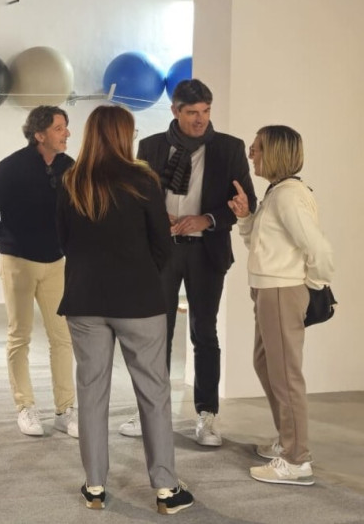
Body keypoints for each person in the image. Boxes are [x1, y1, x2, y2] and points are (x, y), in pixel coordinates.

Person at [57, 105, 194, 515]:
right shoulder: (143, 179)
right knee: (153, 393)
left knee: (91, 392)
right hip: (139, 301)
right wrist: (143, 273)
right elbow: (162, 244)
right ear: (123, 135)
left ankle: (95, 487)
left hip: (85, 300)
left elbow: (64, 241)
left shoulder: (71, 180)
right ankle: (166, 490)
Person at [126, 79, 256, 446]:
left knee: (205, 332)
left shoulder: (229, 148)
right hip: (162, 251)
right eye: (192, 112)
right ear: (175, 111)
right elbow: (138, 200)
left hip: (206, 251)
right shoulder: (151, 147)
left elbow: (246, 202)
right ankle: (151, 411)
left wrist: (207, 219)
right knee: (157, 333)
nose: (201, 119)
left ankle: (207, 415)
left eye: (206, 111)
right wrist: (158, 217)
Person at [227, 126, 333, 486]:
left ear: (274, 152)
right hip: (268, 290)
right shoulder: (277, 192)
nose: (251, 154)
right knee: (266, 364)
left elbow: (320, 250)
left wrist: (313, 286)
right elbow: (261, 245)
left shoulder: (289, 196)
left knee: (286, 375)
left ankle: (296, 459)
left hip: (281, 291)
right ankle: (288, 441)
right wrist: (246, 216)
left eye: (256, 148)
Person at [0, 105, 77, 439]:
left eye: (65, 127)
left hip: (56, 264)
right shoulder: (9, 168)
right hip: (18, 263)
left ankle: (65, 410)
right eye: (59, 128)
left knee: (62, 337)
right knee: (20, 335)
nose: (67, 133)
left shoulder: (69, 167)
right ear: (40, 134)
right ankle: (25, 406)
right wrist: (9, 241)